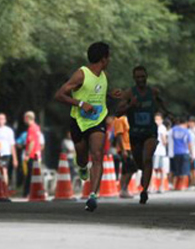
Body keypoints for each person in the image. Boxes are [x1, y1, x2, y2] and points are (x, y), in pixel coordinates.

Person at [54, 42, 117, 212]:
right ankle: (82, 166)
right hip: (79, 122)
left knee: (97, 155)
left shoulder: (104, 75)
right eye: (108, 57)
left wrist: (111, 94)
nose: (109, 60)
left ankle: (93, 196)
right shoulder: (81, 74)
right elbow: (59, 95)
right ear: (103, 59)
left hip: (98, 120)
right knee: (83, 158)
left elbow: (97, 90)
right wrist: (80, 103)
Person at [116, 65, 171, 204]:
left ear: (146, 77)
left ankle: (144, 190)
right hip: (135, 133)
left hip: (150, 132)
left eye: (143, 76)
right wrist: (130, 105)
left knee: (147, 159)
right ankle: (144, 175)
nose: (141, 79)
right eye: (138, 77)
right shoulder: (129, 93)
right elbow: (118, 113)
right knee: (140, 163)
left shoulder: (153, 92)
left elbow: (161, 103)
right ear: (134, 78)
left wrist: (168, 113)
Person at [21, 111, 42, 198]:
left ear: (27, 118)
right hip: (37, 154)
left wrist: (27, 154)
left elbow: (32, 142)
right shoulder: (37, 127)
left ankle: (26, 193)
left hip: (32, 155)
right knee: (34, 174)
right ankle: (33, 191)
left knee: (29, 174)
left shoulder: (31, 128)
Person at [168, 117, 192, 190]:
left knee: (176, 171)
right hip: (184, 152)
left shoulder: (173, 130)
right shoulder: (187, 131)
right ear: (185, 123)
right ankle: (182, 186)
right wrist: (191, 153)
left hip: (175, 152)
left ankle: (174, 185)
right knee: (184, 171)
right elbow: (189, 143)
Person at [113, 115, 134, 198]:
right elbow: (119, 135)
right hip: (125, 147)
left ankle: (124, 190)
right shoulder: (119, 119)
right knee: (130, 168)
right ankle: (123, 189)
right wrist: (123, 150)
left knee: (126, 169)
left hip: (129, 146)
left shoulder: (126, 118)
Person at [152, 113, 169, 194]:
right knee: (156, 169)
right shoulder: (159, 128)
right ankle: (156, 186)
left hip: (159, 151)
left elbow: (164, 140)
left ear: (162, 120)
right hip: (156, 151)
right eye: (156, 119)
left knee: (157, 169)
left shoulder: (161, 128)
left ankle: (157, 186)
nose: (157, 121)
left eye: (158, 119)